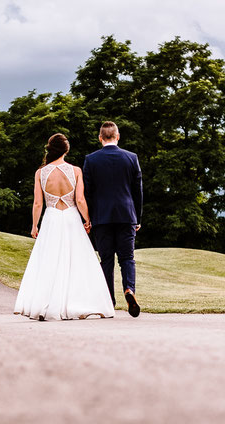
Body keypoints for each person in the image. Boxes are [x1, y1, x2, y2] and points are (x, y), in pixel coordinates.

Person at [14, 133, 115, 321]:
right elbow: (80, 199)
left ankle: (45, 305)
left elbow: (38, 203)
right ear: (66, 150)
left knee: (49, 261)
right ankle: (80, 303)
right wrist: (87, 219)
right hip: (71, 218)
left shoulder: (40, 173)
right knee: (77, 261)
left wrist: (34, 225)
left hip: (51, 218)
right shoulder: (76, 171)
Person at [82, 121, 143, 317]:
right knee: (127, 258)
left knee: (106, 260)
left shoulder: (91, 160)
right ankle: (129, 290)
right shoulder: (131, 158)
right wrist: (137, 217)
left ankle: (109, 301)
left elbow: (87, 192)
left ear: (100, 138)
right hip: (126, 215)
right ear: (117, 136)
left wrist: (88, 217)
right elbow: (137, 192)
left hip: (102, 217)